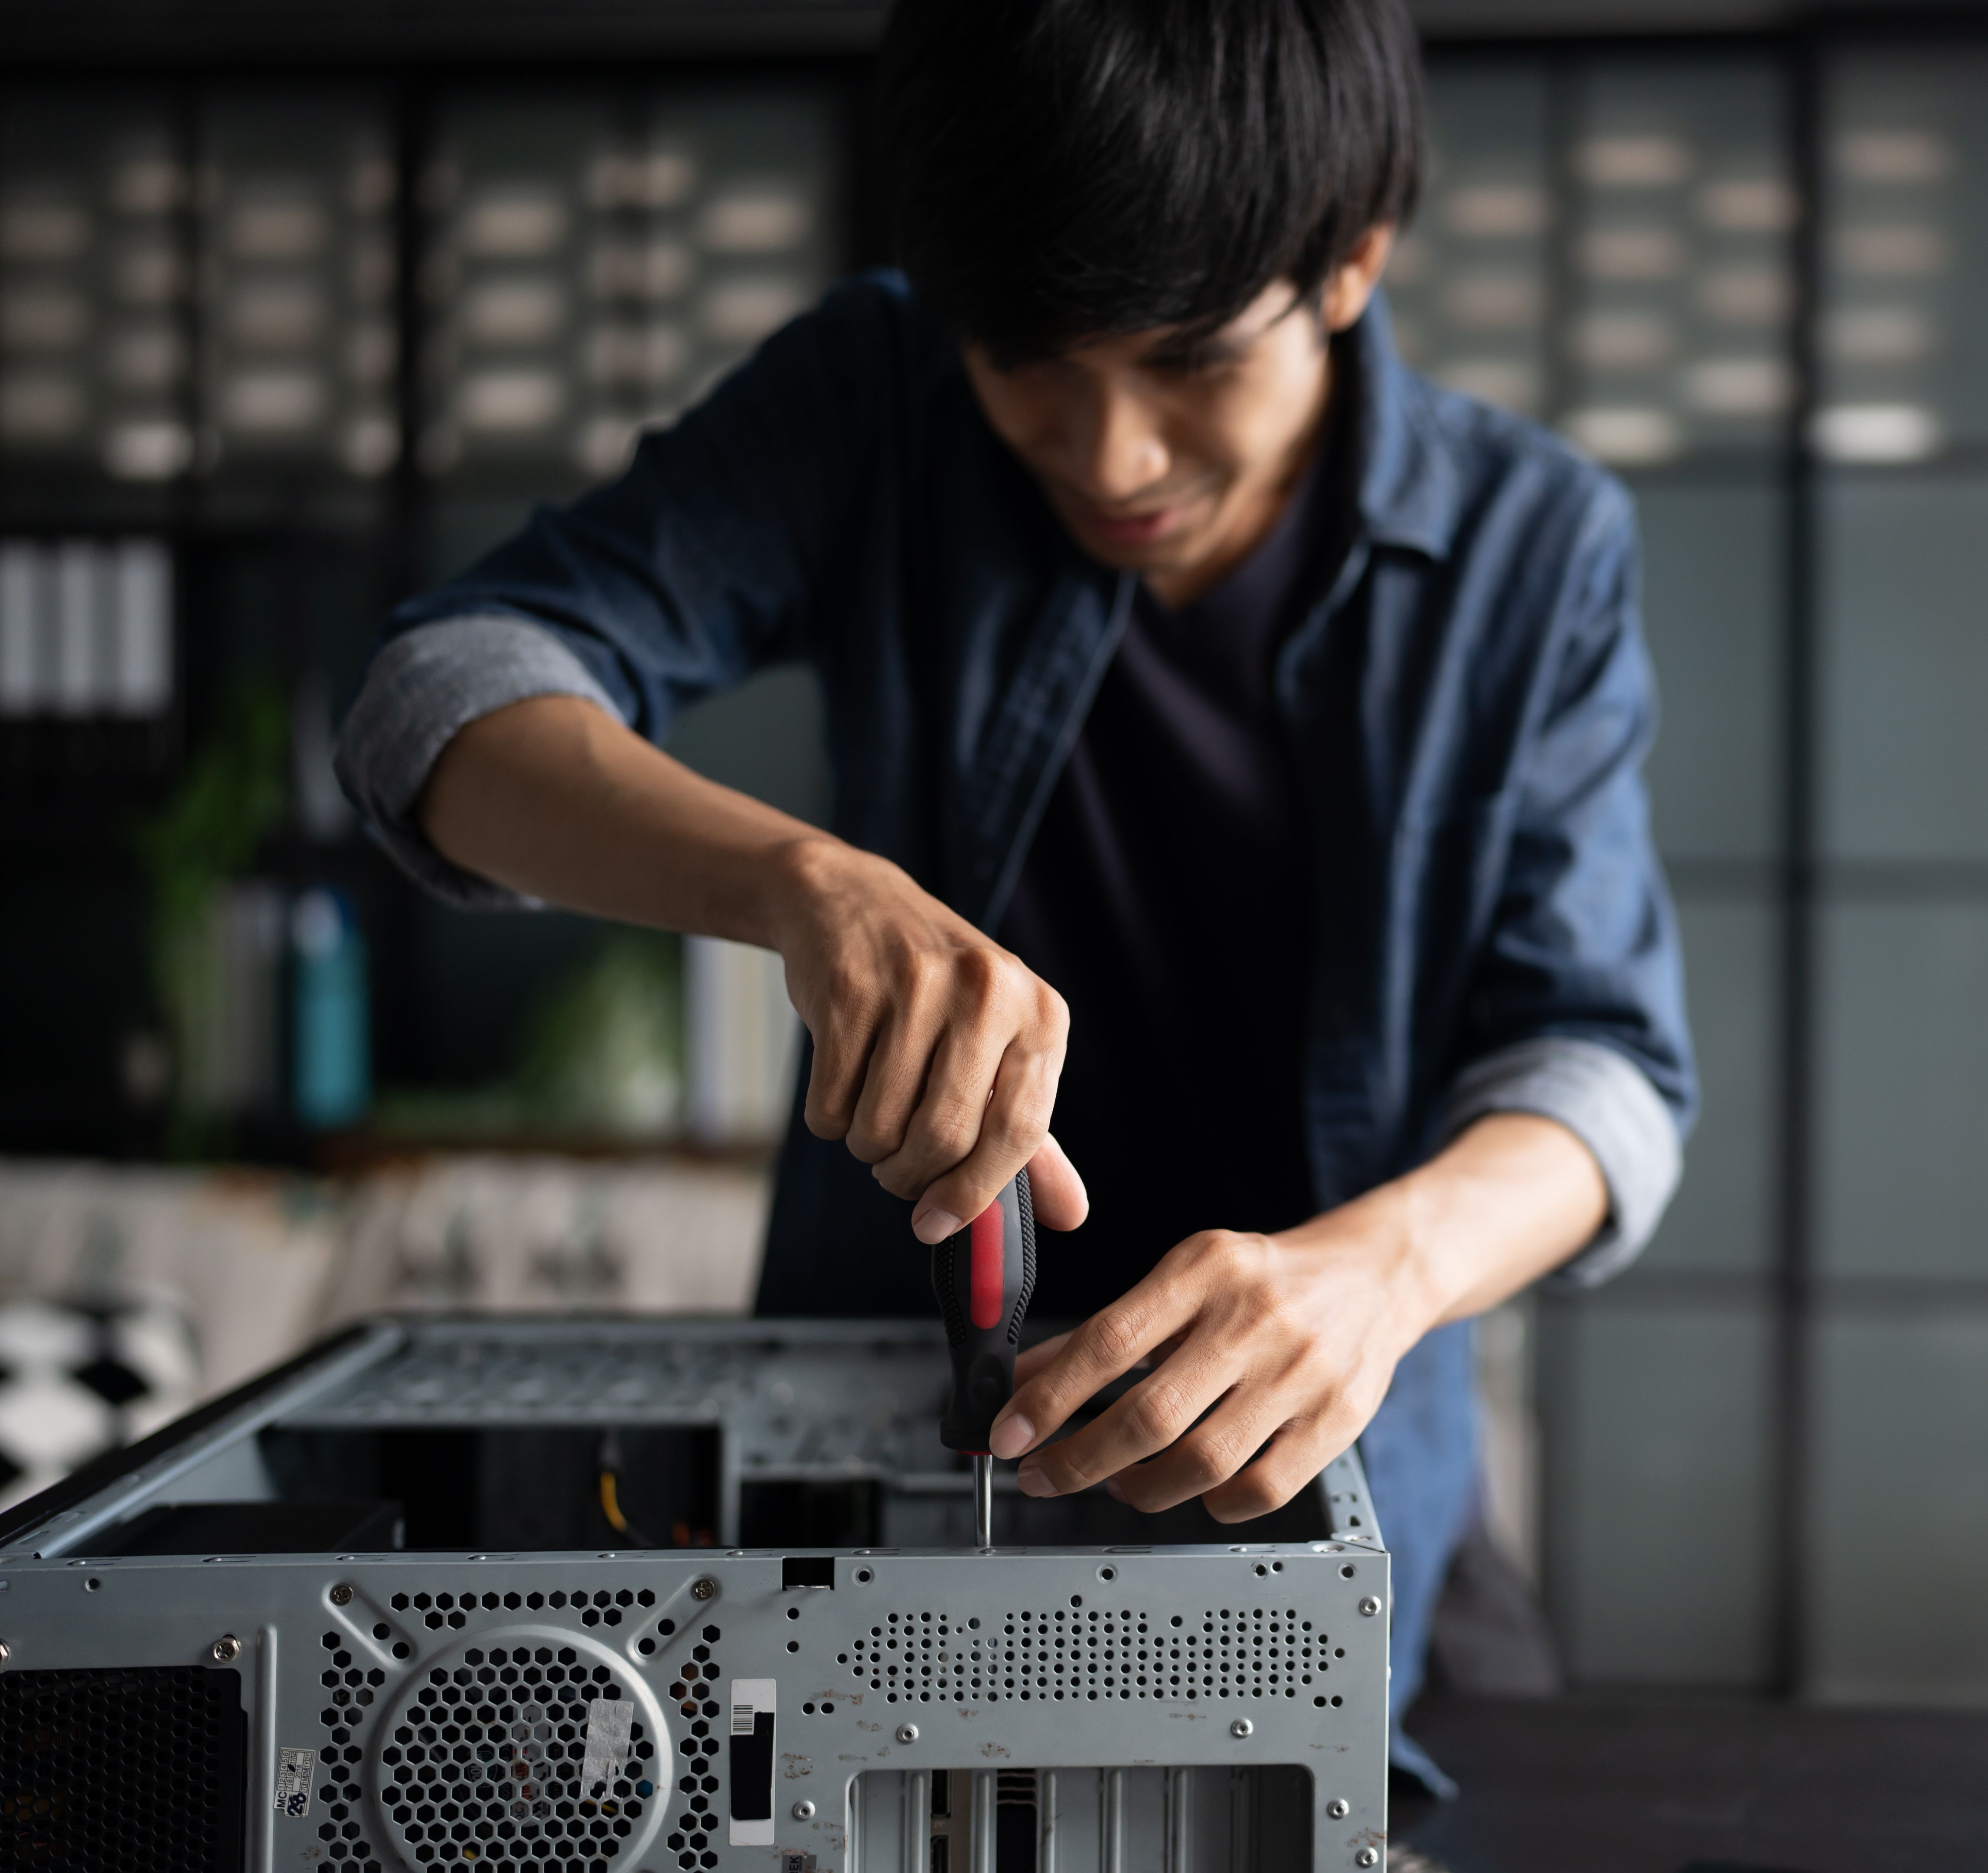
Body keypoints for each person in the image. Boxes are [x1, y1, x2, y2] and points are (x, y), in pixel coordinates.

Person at [335, 0, 1693, 1788]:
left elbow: (1603, 1076)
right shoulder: (873, 400)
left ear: (1351, 263)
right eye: (1029, 356)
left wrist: (1381, 1271)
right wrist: (804, 884)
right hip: (888, 1481)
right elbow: (435, 699)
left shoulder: (1536, 546)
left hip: (1339, 1486)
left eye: (1193, 360)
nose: (1109, 453)